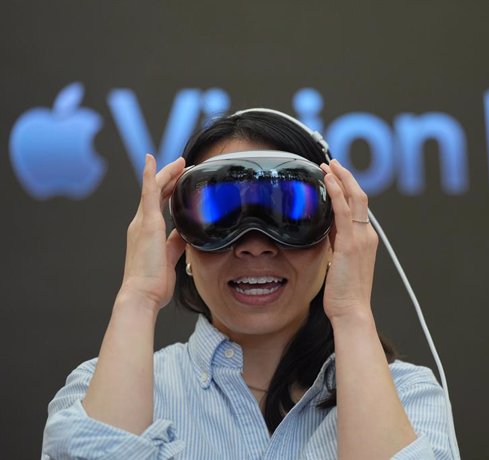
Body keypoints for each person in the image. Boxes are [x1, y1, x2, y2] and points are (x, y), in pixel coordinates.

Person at [41, 109, 459, 459]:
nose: (255, 247)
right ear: (184, 240)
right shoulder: (103, 388)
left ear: (334, 235)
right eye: (221, 213)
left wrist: (351, 313)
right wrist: (138, 296)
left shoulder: (407, 396)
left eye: (290, 209)